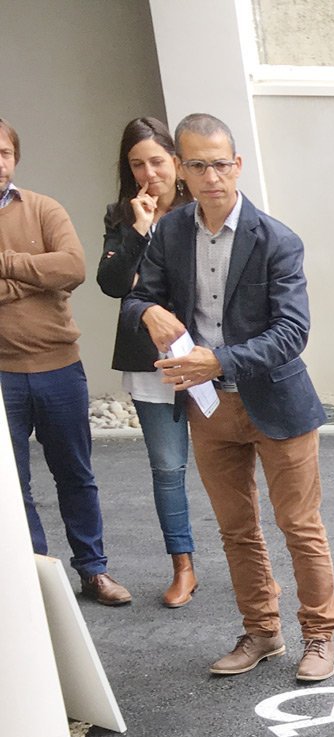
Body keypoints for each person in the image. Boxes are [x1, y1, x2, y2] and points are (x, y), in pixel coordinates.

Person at [125, 113, 334, 681]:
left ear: (237, 165)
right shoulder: (171, 233)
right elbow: (135, 296)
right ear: (181, 170)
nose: (210, 175)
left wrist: (219, 359)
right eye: (196, 164)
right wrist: (147, 310)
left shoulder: (276, 239)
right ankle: (262, 631)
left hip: (276, 402)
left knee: (299, 526)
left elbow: (292, 333)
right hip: (208, 406)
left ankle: (319, 637)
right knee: (236, 528)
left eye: (220, 163)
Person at [0, 117, 130, 605]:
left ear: (15, 157)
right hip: (2, 375)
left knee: (75, 474)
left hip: (58, 367)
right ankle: (38, 580)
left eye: (5, 153)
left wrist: (7, 264)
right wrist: (36, 277)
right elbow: (52, 273)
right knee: (12, 485)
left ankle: (94, 570)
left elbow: (73, 267)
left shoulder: (42, 209)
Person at [96, 116, 197, 608]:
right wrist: (139, 229)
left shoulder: (203, 210)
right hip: (149, 359)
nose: (148, 173)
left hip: (204, 352)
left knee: (233, 464)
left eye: (157, 161)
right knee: (167, 466)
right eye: (137, 164)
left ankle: (253, 564)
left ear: (176, 163)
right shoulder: (122, 216)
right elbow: (115, 284)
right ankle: (183, 566)